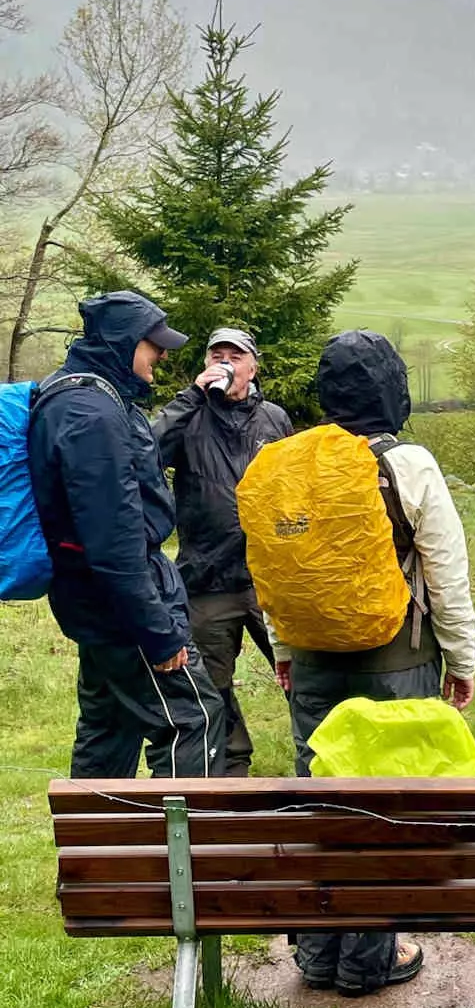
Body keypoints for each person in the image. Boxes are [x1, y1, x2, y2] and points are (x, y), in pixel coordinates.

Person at [269, 329, 475, 996]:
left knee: (323, 799)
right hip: (396, 657)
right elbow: (445, 567)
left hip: (310, 657)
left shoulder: (292, 460)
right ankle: (368, 960)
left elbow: (278, 569)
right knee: (383, 808)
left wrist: (282, 647)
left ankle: (317, 957)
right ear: (393, 387)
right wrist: (461, 656)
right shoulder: (408, 462)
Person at [27, 291, 226, 779]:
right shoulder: (90, 415)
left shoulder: (80, 396)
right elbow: (112, 539)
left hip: (95, 602)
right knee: (193, 719)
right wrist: (158, 632)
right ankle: (180, 853)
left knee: (110, 724)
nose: (160, 354)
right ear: (123, 342)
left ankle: (94, 854)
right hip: (122, 607)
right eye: (152, 344)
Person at [153, 327, 293, 776]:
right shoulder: (189, 415)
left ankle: (319, 760)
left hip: (271, 578)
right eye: (218, 353)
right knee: (211, 686)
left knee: (304, 675)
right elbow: (147, 450)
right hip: (208, 578)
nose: (226, 360)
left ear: (253, 365)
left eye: (236, 354)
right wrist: (190, 395)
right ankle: (230, 766)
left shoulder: (274, 419)